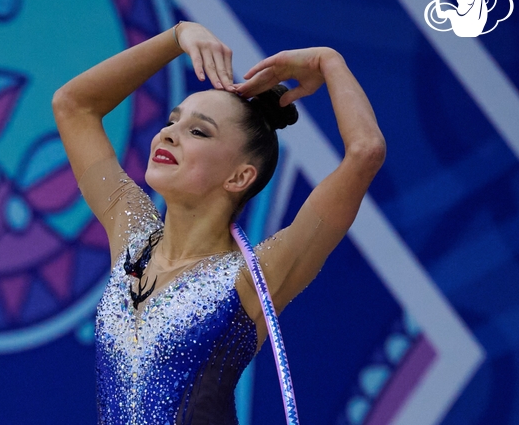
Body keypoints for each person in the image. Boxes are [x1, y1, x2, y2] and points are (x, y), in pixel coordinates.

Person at [52, 21, 385, 424]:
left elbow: (365, 152)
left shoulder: (254, 276)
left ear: (239, 177)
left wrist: (329, 62)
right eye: (171, 121)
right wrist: (177, 37)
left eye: (198, 131)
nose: (169, 135)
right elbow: (73, 105)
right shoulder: (133, 237)